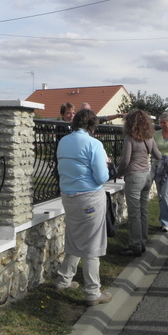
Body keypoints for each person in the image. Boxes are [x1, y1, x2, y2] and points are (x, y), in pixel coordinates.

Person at [54, 109, 113, 305]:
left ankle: (64, 280)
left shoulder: (63, 141)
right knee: (92, 245)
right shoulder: (94, 144)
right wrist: (107, 165)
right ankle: (92, 292)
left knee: (73, 237)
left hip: (68, 196)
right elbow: (101, 177)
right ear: (92, 125)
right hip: (89, 196)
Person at [116, 109, 162, 256]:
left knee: (134, 213)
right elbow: (158, 155)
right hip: (147, 176)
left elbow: (125, 160)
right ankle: (142, 240)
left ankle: (135, 245)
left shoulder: (130, 138)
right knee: (144, 211)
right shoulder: (149, 138)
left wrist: (118, 171)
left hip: (134, 177)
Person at [151, 112, 168, 232]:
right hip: (159, 166)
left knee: (166, 193)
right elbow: (151, 149)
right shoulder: (156, 134)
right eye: (160, 122)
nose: (161, 124)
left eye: (164, 122)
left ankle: (167, 222)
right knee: (161, 195)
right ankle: (163, 220)